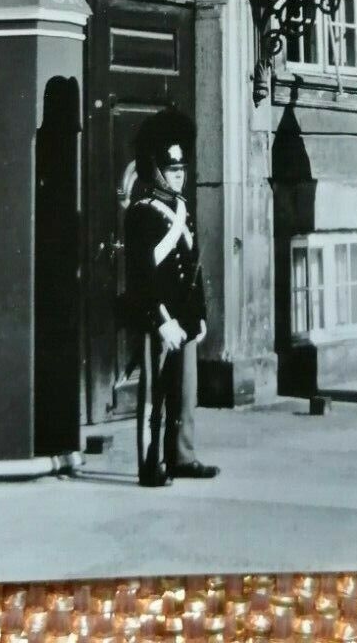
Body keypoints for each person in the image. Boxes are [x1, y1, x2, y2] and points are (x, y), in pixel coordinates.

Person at [123, 118, 219, 486]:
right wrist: (162, 319)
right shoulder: (142, 211)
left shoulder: (181, 208)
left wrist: (199, 316)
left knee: (185, 392)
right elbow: (143, 275)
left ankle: (181, 455)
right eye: (172, 170)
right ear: (157, 171)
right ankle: (151, 463)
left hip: (184, 318)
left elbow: (191, 268)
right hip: (159, 318)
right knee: (154, 396)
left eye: (182, 169)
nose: (179, 176)